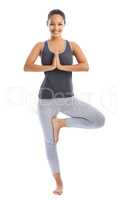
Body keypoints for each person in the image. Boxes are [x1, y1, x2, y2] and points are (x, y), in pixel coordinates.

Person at [24, 9, 105, 195]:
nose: (56, 27)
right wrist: (49, 66)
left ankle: (60, 123)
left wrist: (62, 66)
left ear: (64, 25)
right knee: (49, 142)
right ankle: (59, 183)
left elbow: (85, 65)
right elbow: (27, 66)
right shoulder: (40, 46)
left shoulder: (72, 45)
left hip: (68, 99)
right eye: (52, 23)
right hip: (46, 101)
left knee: (99, 120)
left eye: (59, 23)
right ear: (47, 24)